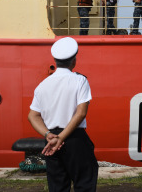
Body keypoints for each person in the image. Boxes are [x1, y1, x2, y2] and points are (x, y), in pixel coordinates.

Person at [28, 37, 98, 192]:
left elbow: (32, 116)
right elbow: (81, 113)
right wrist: (62, 138)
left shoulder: (42, 85)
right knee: (84, 183)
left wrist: (48, 135)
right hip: (74, 138)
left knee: (57, 186)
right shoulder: (80, 81)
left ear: (55, 60)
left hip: (51, 141)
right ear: (74, 61)